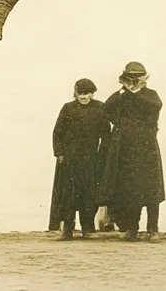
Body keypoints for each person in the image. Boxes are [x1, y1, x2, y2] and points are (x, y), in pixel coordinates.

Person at [98, 61, 165, 242]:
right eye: (130, 78)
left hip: (146, 144)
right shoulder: (122, 95)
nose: (133, 82)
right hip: (125, 147)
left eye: (137, 78)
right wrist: (123, 92)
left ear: (143, 79)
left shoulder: (150, 95)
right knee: (130, 188)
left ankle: (153, 228)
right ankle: (132, 228)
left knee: (151, 188)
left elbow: (155, 107)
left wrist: (133, 93)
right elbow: (106, 109)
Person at [49, 78, 108, 240]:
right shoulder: (68, 108)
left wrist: (102, 156)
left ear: (92, 94)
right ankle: (67, 229)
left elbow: (106, 135)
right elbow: (57, 132)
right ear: (75, 93)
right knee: (67, 195)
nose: (83, 97)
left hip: (91, 160)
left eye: (87, 93)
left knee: (89, 194)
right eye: (80, 93)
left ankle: (87, 228)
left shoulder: (100, 108)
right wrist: (59, 153)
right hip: (69, 160)